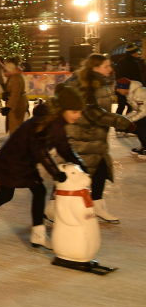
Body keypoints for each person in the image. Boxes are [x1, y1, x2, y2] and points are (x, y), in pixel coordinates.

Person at [0, 87, 84, 249]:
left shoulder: (56, 121)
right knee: (23, 193)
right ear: (63, 109)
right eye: (74, 111)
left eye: (79, 111)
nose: (78, 115)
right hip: (14, 161)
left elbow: (63, 146)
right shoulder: (47, 121)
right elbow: (40, 151)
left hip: (20, 161)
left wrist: (80, 162)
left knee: (13, 194)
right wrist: (56, 173)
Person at [60, 54, 135, 223]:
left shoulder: (100, 82)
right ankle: (54, 207)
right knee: (73, 172)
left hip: (95, 135)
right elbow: (93, 112)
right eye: (106, 66)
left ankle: (97, 204)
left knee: (99, 169)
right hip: (81, 134)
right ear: (95, 67)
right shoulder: (82, 84)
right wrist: (121, 122)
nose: (110, 69)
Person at [116, 77, 146, 158]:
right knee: (139, 127)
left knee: (141, 127)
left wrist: (131, 120)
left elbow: (143, 111)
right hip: (143, 112)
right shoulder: (130, 93)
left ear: (124, 88)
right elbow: (135, 110)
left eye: (118, 88)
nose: (117, 91)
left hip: (145, 112)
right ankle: (144, 146)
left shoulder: (139, 93)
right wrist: (125, 118)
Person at [114, 44, 144, 115]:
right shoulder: (134, 63)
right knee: (131, 106)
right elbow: (137, 77)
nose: (138, 53)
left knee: (121, 106)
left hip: (121, 87)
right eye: (137, 52)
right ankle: (129, 123)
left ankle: (116, 122)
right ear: (133, 53)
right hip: (131, 88)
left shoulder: (120, 62)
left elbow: (117, 76)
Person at [1, 58, 28, 133]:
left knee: (15, 126)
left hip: (16, 106)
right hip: (16, 104)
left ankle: (16, 142)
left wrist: (8, 107)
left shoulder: (15, 78)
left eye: (6, 70)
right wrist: (6, 94)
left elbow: (15, 94)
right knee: (15, 126)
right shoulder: (13, 77)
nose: (4, 73)